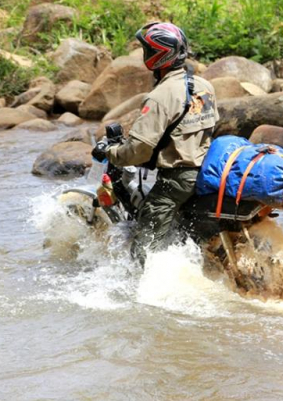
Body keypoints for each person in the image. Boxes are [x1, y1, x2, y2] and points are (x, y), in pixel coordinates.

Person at [92, 22, 218, 263]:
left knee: (144, 249)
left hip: (177, 181)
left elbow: (138, 150)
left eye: (146, 50)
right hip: (207, 172)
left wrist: (111, 152)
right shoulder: (204, 86)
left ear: (157, 56)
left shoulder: (160, 96)